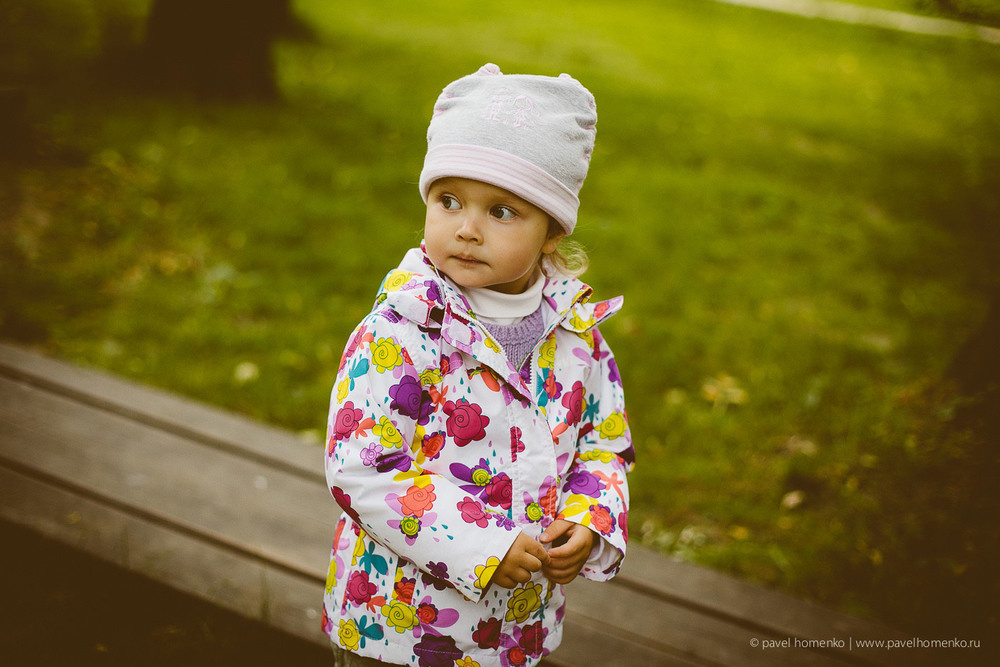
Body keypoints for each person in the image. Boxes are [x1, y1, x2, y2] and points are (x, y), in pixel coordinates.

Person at [321, 63, 634, 667]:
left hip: (517, 633)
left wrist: (590, 518)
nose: (466, 229)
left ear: (551, 232)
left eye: (502, 212)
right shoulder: (403, 330)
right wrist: (482, 544)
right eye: (450, 200)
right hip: (398, 631)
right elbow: (363, 468)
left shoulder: (576, 336)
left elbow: (604, 445)